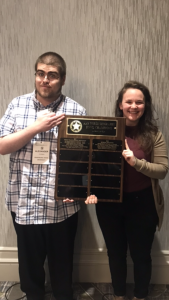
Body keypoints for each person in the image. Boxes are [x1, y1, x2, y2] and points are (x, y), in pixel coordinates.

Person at [0, 52, 97, 300]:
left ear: (62, 79)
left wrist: (79, 189)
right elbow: (2, 146)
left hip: (61, 208)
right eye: (41, 73)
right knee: (30, 271)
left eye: (52, 75)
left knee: (62, 269)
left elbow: (85, 160)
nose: (45, 80)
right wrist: (35, 128)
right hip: (25, 204)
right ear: (35, 76)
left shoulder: (75, 110)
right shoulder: (17, 105)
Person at [95, 81, 168, 300]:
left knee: (141, 255)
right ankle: (118, 295)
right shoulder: (105, 131)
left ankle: (140, 296)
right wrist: (89, 189)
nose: (134, 106)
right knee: (115, 254)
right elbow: (93, 166)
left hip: (142, 202)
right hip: (109, 204)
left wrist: (136, 163)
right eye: (129, 101)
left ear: (145, 106)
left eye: (139, 102)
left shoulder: (154, 134)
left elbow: (162, 171)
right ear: (120, 104)